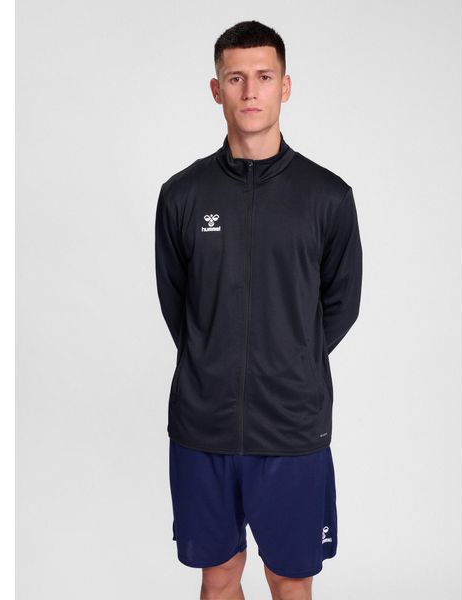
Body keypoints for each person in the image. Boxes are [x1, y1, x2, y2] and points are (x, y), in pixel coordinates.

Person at [155, 20, 363, 600]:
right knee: (218, 578)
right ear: (216, 89)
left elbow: (341, 304)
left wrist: (289, 357)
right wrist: (214, 359)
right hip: (203, 427)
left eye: (264, 77)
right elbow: (178, 305)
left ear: (285, 87)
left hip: (291, 429)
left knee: (290, 581)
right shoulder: (182, 195)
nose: (250, 91)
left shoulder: (327, 197)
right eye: (236, 78)